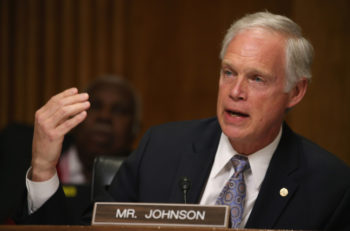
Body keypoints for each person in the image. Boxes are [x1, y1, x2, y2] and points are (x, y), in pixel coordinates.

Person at [16, 12, 350, 230]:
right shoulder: (161, 148)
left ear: (296, 91)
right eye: (228, 72)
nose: (236, 91)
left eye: (257, 79)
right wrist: (44, 169)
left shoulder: (329, 184)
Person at [0, 75, 140, 223]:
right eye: (94, 106)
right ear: (73, 117)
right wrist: (42, 167)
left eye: (119, 110)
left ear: (135, 129)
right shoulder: (17, 152)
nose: (104, 116)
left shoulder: (142, 177)